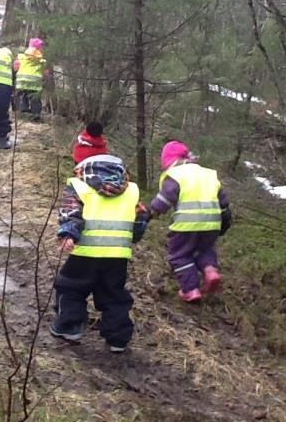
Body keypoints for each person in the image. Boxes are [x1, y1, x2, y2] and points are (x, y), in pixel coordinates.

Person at [50, 151, 150, 353]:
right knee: (113, 295)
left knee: (70, 287)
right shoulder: (131, 190)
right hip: (117, 255)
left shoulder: (79, 185)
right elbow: (140, 217)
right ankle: (118, 339)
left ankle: (69, 327)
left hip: (84, 252)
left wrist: (68, 234)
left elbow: (70, 211)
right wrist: (135, 237)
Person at [150, 141, 231, 303]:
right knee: (204, 249)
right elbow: (223, 202)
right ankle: (210, 271)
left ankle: (191, 289)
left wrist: (150, 213)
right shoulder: (208, 174)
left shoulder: (175, 175)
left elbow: (165, 199)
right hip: (212, 223)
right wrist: (225, 221)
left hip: (186, 224)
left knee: (179, 255)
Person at [15, 38, 49, 122]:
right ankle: (36, 114)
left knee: (24, 94)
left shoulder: (21, 57)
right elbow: (45, 73)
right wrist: (46, 78)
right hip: (35, 82)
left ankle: (23, 108)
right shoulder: (41, 60)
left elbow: (16, 67)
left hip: (22, 80)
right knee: (35, 98)